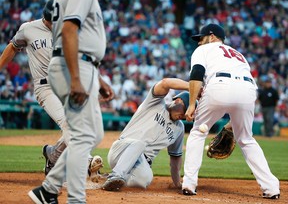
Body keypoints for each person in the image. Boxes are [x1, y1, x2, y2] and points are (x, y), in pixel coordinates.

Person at [0, 0, 102, 177]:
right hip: (45, 87)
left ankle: (52, 155)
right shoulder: (28, 29)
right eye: (49, 20)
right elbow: (12, 47)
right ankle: (86, 162)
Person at [28, 0, 113, 203]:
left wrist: (98, 79)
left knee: (94, 134)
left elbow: (77, 36)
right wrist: (76, 78)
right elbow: (68, 31)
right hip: (75, 66)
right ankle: (75, 199)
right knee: (83, 135)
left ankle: (47, 190)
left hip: (83, 66)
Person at [182, 23, 280, 199]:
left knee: (197, 132)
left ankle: (189, 183)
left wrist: (191, 104)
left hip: (219, 86)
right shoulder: (239, 55)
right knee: (246, 139)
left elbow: (197, 73)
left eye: (201, 38)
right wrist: (231, 124)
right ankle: (271, 188)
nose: (199, 42)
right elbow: (243, 90)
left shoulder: (204, 50)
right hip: (248, 90)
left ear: (212, 37)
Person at [102, 78, 190, 191]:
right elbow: (165, 83)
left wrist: (177, 183)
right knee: (140, 144)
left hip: (140, 163)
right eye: (185, 111)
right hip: (122, 150)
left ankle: (106, 177)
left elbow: (175, 157)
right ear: (178, 101)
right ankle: (116, 174)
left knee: (145, 180)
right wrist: (191, 86)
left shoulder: (179, 128)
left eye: (188, 115)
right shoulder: (155, 102)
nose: (184, 116)